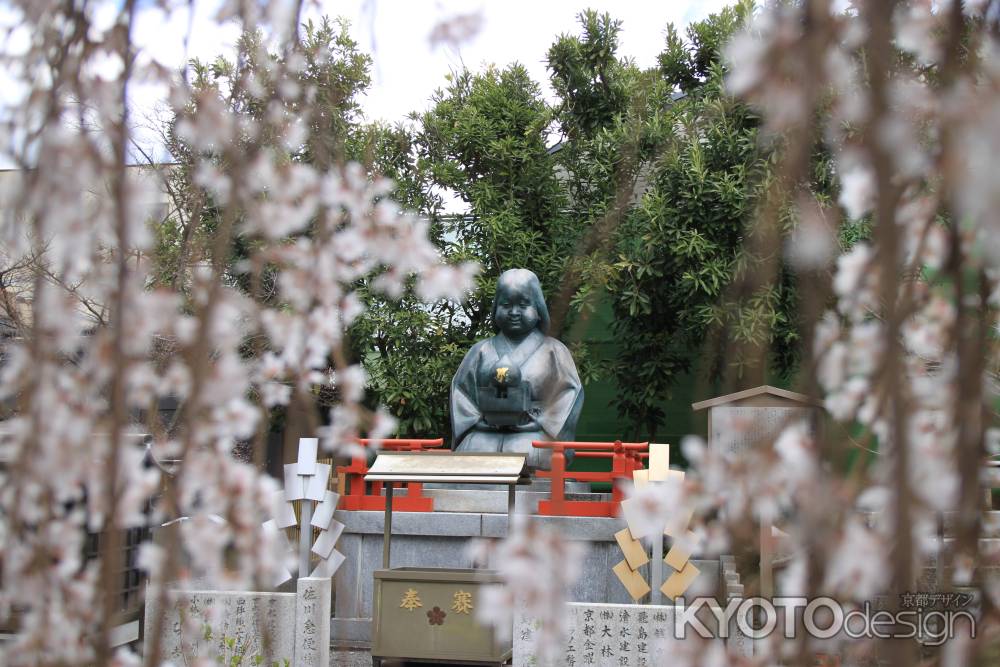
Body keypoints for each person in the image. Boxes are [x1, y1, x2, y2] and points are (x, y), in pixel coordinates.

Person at [450, 268, 584, 469]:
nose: (514, 312)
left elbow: (570, 393)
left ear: (538, 308)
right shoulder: (480, 351)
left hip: (533, 435)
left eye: (523, 305)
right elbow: (461, 392)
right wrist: (478, 420)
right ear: (496, 308)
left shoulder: (554, 351)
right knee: (473, 452)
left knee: (526, 451)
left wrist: (540, 421)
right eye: (506, 305)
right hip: (485, 434)